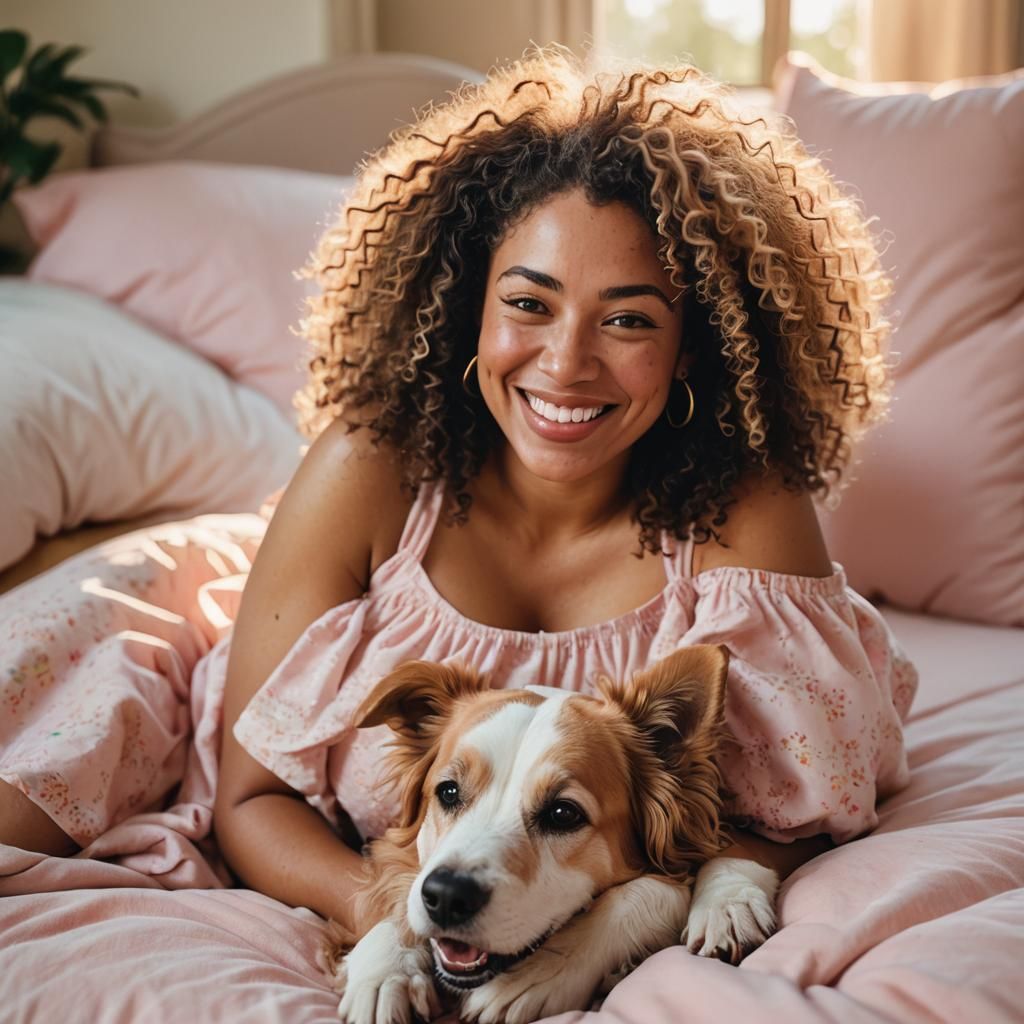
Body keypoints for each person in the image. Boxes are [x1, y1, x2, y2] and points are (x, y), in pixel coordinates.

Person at [0, 47, 917, 940]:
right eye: (529, 303)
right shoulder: (370, 469)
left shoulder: (745, 517)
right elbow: (250, 797)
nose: (566, 364)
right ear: (464, 303)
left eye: (629, 319)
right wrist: (398, 920)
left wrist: (634, 916)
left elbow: (802, 813)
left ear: (699, 344)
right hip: (180, 644)